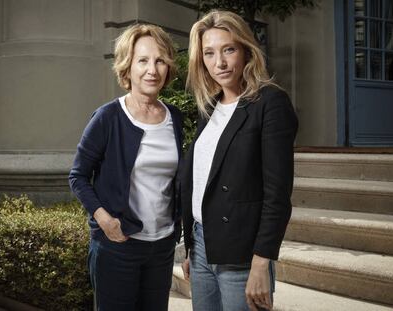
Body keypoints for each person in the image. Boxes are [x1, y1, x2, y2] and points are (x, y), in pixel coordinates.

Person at [180, 10, 298, 311]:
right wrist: (191, 248)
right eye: (209, 53)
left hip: (244, 254)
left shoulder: (270, 103)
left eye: (228, 49)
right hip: (202, 244)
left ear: (246, 49)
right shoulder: (210, 106)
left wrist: (262, 262)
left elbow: (277, 195)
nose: (219, 62)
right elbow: (199, 180)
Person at [69, 24, 183, 311]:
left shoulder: (175, 118)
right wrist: (104, 220)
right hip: (117, 245)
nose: (152, 70)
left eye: (159, 61)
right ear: (127, 67)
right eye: (142, 60)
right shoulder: (108, 117)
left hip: (161, 246)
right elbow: (78, 176)